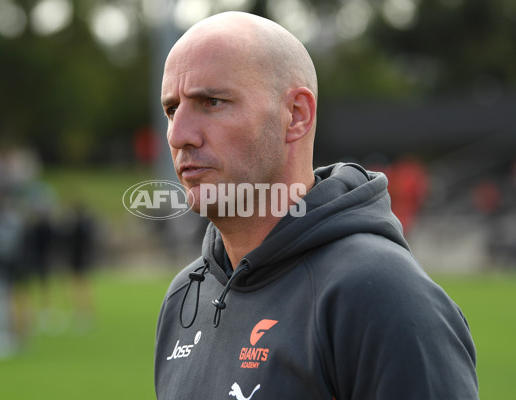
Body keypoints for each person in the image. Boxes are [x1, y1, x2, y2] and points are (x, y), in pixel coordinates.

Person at [154, 11, 478, 400]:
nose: (178, 135)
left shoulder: (383, 295)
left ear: (296, 115)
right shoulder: (184, 297)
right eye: (172, 110)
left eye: (211, 102)